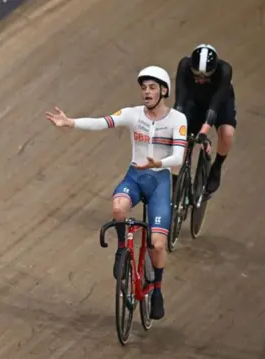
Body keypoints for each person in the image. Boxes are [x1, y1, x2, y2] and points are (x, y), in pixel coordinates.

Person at [45, 66, 188, 320]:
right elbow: (102, 122)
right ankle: (122, 249)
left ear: (164, 91)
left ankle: (156, 290)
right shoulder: (133, 114)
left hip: (159, 183)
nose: (146, 92)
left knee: (157, 243)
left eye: (152, 87)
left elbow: (179, 155)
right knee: (118, 207)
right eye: (143, 88)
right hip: (135, 176)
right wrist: (71, 123)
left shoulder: (178, 120)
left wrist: (159, 163)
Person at [173, 44, 235, 195]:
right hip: (193, 101)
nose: (200, 80)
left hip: (219, 102)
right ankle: (174, 185)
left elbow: (214, 106)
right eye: (197, 75)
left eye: (205, 77)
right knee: (181, 140)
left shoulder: (225, 70)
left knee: (227, 133)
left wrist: (203, 132)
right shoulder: (184, 66)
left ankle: (217, 167)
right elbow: (179, 103)